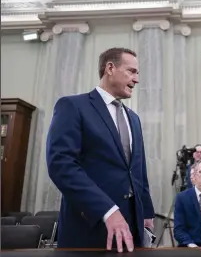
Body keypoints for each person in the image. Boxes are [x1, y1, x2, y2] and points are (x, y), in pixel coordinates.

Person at [46, 47, 155, 252]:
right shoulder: (73, 106)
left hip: (132, 227)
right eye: (131, 71)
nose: (136, 79)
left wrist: (146, 212)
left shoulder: (134, 119)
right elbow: (61, 165)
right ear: (110, 68)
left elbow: (138, 170)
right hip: (90, 225)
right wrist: (107, 210)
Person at [174, 160, 201, 247]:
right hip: (189, 247)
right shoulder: (182, 198)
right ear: (194, 175)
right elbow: (179, 229)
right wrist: (191, 245)